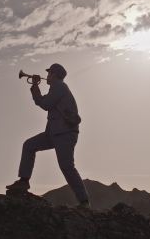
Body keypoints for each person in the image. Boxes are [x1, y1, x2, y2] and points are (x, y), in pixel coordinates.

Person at [6, 63, 91, 208]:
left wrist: (35, 86)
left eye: (50, 73)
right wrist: (35, 86)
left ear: (55, 75)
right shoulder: (56, 88)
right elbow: (43, 102)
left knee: (67, 166)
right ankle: (24, 181)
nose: (48, 75)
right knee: (29, 145)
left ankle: (84, 202)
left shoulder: (60, 87)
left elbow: (45, 104)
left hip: (64, 133)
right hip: (54, 133)